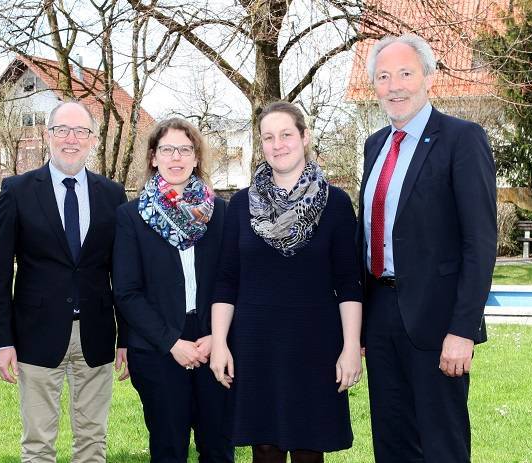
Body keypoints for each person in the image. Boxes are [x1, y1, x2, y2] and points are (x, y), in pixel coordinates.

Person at [358, 34, 497, 463]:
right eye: (383, 76)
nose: (394, 85)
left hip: (438, 322)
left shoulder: (462, 138)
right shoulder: (375, 145)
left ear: (428, 78)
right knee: (391, 438)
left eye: (405, 73)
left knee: (442, 442)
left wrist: (463, 330)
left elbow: (480, 242)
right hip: (381, 313)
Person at [210, 101, 362, 463]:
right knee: (263, 447)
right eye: (268, 137)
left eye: (286, 135)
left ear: (305, 137)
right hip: (255, 345)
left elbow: (349, 283)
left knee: (310, 448)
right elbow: (226, 281)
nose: (278, 144)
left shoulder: (336, 204)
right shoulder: (240, 206)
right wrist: (219, 343)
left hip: (315, 345)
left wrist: (352, 346)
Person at [0, 101, 129, 462]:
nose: (71, 139)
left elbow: (123, 273)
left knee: (93, 444)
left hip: (96, 334)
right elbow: (0, 271)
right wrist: (2, 340)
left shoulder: (112, 194)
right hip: (36, 333)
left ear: (93, 139)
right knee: (37, 445)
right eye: (62, 130)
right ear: (47, 135)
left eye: (81, 131)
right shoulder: (17, 191)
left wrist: (126, 339)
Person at [112, 118, 234, 463]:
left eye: (185, 149)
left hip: (215, 342)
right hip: (157, 346)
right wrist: (170, 342)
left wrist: (217, 337)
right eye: (167, 149)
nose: (176, 157)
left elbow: (234, 280)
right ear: (153, 157)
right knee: (168, 448)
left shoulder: (221, 213)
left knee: (219, 447)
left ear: (196, 158)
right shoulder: (132, 216)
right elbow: (126, 291)